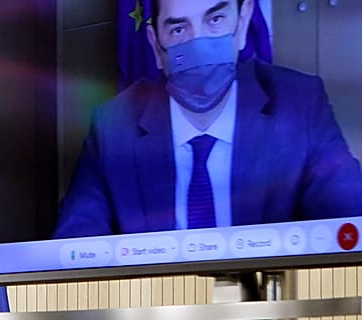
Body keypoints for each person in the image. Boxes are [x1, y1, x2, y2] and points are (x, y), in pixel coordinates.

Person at [54, 0, 362, 239]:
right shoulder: (114, 126)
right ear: (156, 46)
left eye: (215, 20)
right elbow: (74, 247)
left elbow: (350, 227)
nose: (199, 45)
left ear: (242, 23)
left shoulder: (299, 105)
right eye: (178, 30)